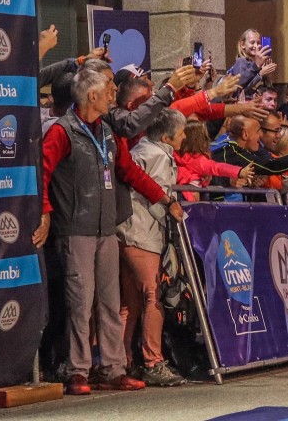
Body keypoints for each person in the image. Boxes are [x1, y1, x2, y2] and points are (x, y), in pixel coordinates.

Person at [34, 69, 184, 395]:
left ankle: (114, 369)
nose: (113, 93)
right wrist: (45, 214)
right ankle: (77, 371)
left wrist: (164, 199)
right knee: (80, 302)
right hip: (75, 230)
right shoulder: (62, 132)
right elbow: (41, 175)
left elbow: (129, 171)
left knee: (110, 303)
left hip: (106, 230)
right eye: (109, 89)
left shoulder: (107, 132)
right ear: (92, 96)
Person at [117, 109, 187, 387]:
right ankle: (153, 362)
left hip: (125, 234)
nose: (184, 137)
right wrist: (176, 214)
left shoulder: (140, 149)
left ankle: (120, 362)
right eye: (181, 133)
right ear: (168, 137)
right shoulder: (158, 156)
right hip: (143, 236)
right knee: (152, 298)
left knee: (128, 304)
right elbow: (157, 197)